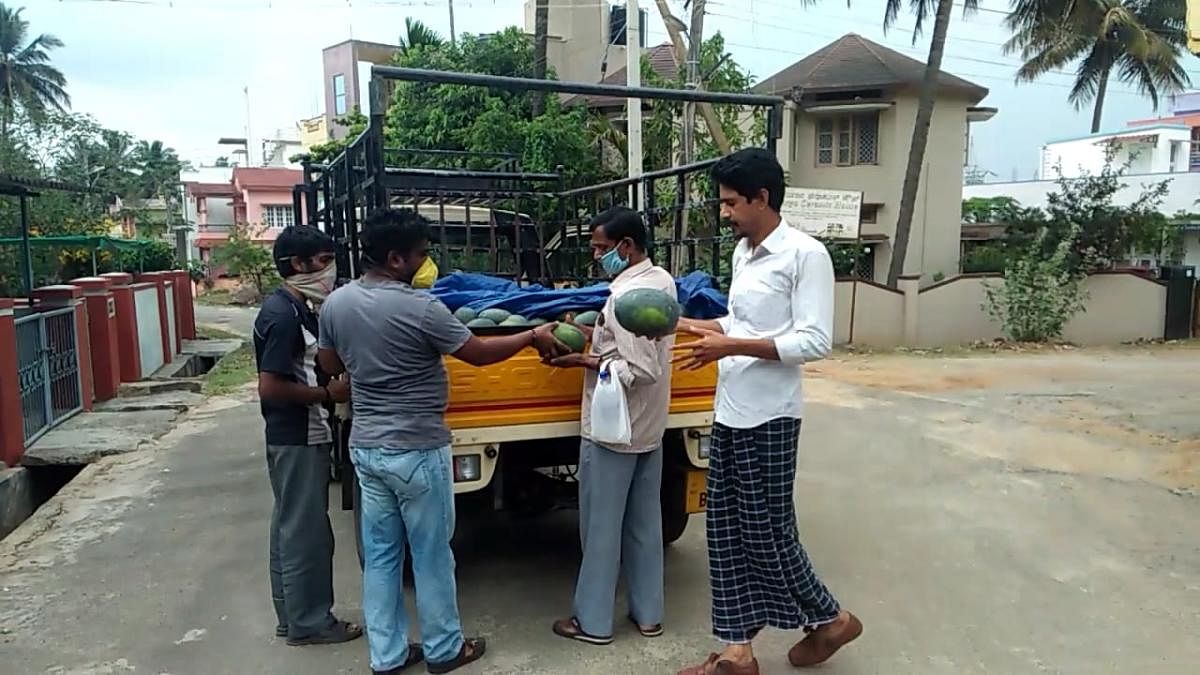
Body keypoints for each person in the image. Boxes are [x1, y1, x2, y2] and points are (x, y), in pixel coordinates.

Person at [316, 208, 567, 675]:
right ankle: (444, 650)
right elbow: (477, 352)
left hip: (367, 447)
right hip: (416, 447)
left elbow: (330, 365)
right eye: (421, 255)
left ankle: (387, 656)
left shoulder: (336, 304)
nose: (425, 263)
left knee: (382, 557)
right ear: (395, 259)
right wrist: (532, 335)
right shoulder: (421, 307)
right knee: (431, 555)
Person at [674, 148, 862, 675]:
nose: (725, 213)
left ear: (762, 198)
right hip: (731, 412)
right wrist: (695, 328)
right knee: (724, 529)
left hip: (772, 417)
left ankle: (832, 619)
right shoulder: (744, 255)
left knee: (769, 530)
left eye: (733, 203)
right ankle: (737, 650)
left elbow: (815, 340)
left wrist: (729, 348)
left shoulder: (805, 254)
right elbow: (740, 322)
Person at [548, 206, 675, 646]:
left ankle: (593, 621)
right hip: (649, 429)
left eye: (601, 248)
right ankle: (649, 614)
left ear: (626, 246)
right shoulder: (660, 281)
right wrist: (597, 336)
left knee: (601, 527)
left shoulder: (627, 298)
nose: (597, 256)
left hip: (613, 428)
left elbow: (640, 368)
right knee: (644, 524)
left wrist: (585, 358)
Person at [252, 225, 362, 647]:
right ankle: (311, 622)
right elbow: (270, 385)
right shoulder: (282, 316)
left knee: (289, 526)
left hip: (295, 434)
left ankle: (292, 615)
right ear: (296, 265)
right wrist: (326, 393)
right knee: (307, 533)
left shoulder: (296, 308)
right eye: (322, 261)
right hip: (298, 434)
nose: (329, 269)